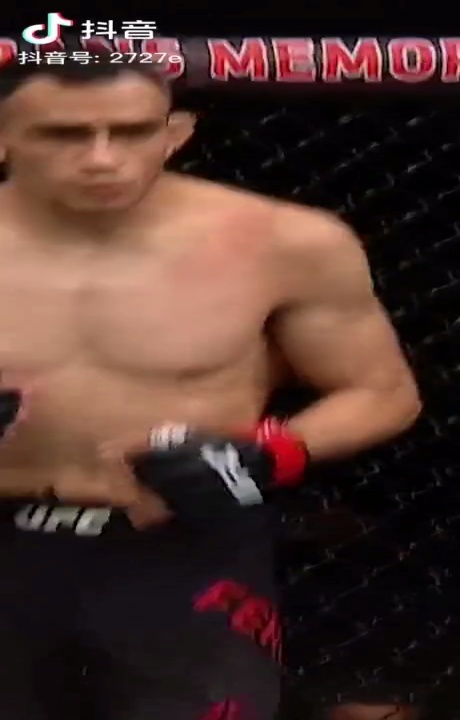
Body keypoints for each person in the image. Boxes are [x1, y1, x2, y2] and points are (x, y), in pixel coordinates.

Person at [0, 55, 421, 720]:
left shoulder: (283, 241)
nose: (103, 158)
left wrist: (260, 457)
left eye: (132, 132)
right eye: (64, 134)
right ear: (4, 137)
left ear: (177, 132)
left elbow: (382, 393)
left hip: (184, 546)